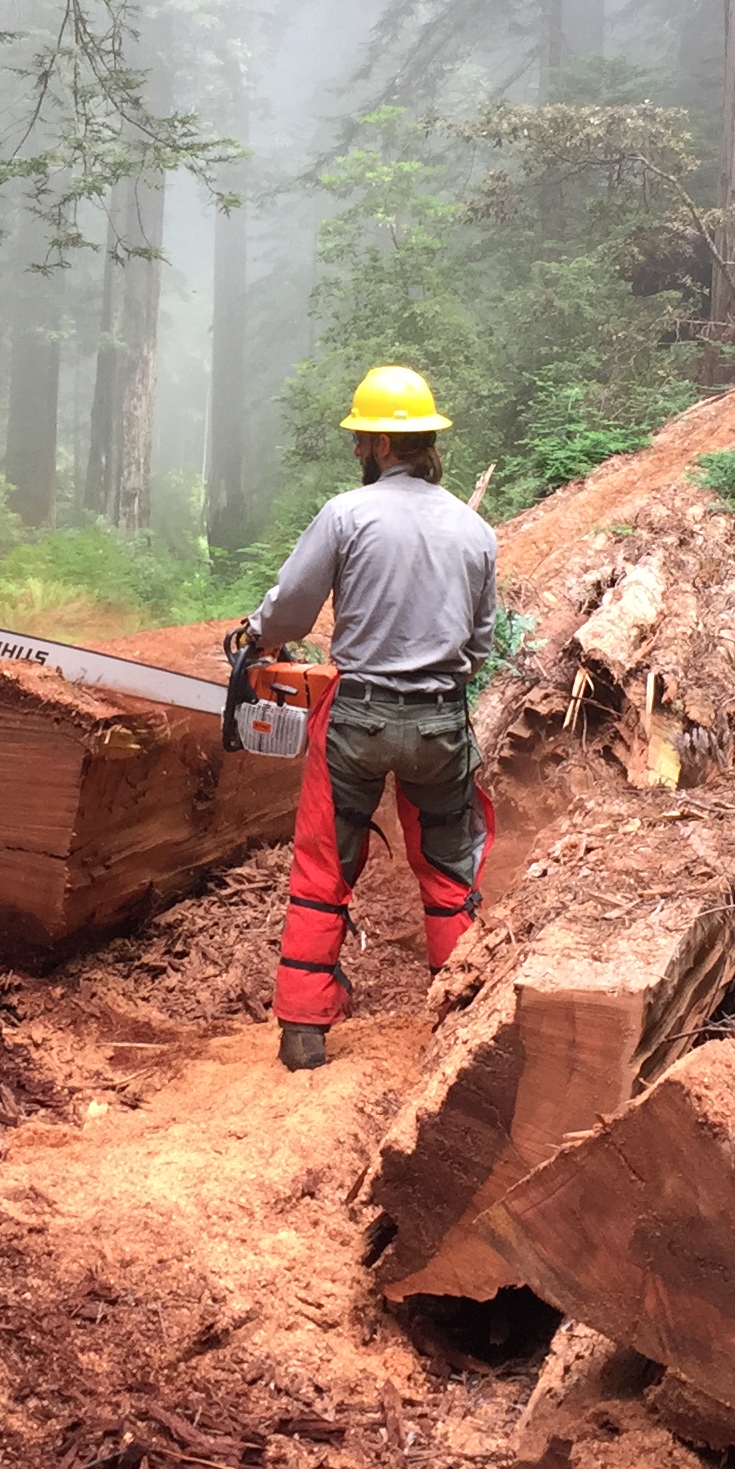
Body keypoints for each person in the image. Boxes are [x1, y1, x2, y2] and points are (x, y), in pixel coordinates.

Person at [238, 365, 500, 1071]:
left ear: (386, 442)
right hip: (442, 721)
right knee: (449, 872)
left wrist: (261, 634)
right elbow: (479, 645)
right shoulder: (474, 531)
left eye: (362, 440)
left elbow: (291, 608)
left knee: (324, 867)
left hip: (357, 717)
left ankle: (303, 1028)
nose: (356, 451)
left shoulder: (347, 516)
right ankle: (459, 1018)